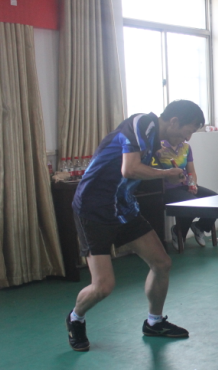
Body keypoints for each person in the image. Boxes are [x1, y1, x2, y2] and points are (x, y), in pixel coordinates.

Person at [67, 100, 205, 352]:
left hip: (124, 207)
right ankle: (76, 318)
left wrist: (172, 172)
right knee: (103, 286)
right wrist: (165, 174)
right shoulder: (142, 124)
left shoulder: (155, 140)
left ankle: (154, 322)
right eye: (189, 130)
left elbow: (140, 167)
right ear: (174, 121)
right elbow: (129, 169)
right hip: (93, 208)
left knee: (162, 263)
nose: (188, 137)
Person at [155, 140, 218, 250]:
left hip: (186, 185)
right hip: (168, 189)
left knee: (216, 199)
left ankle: (200, 226)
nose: (187, 137)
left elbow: (191, 171)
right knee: (192, 204)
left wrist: (192, 185)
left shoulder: (186, 147)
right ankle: (178, 231)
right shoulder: (159, 146)